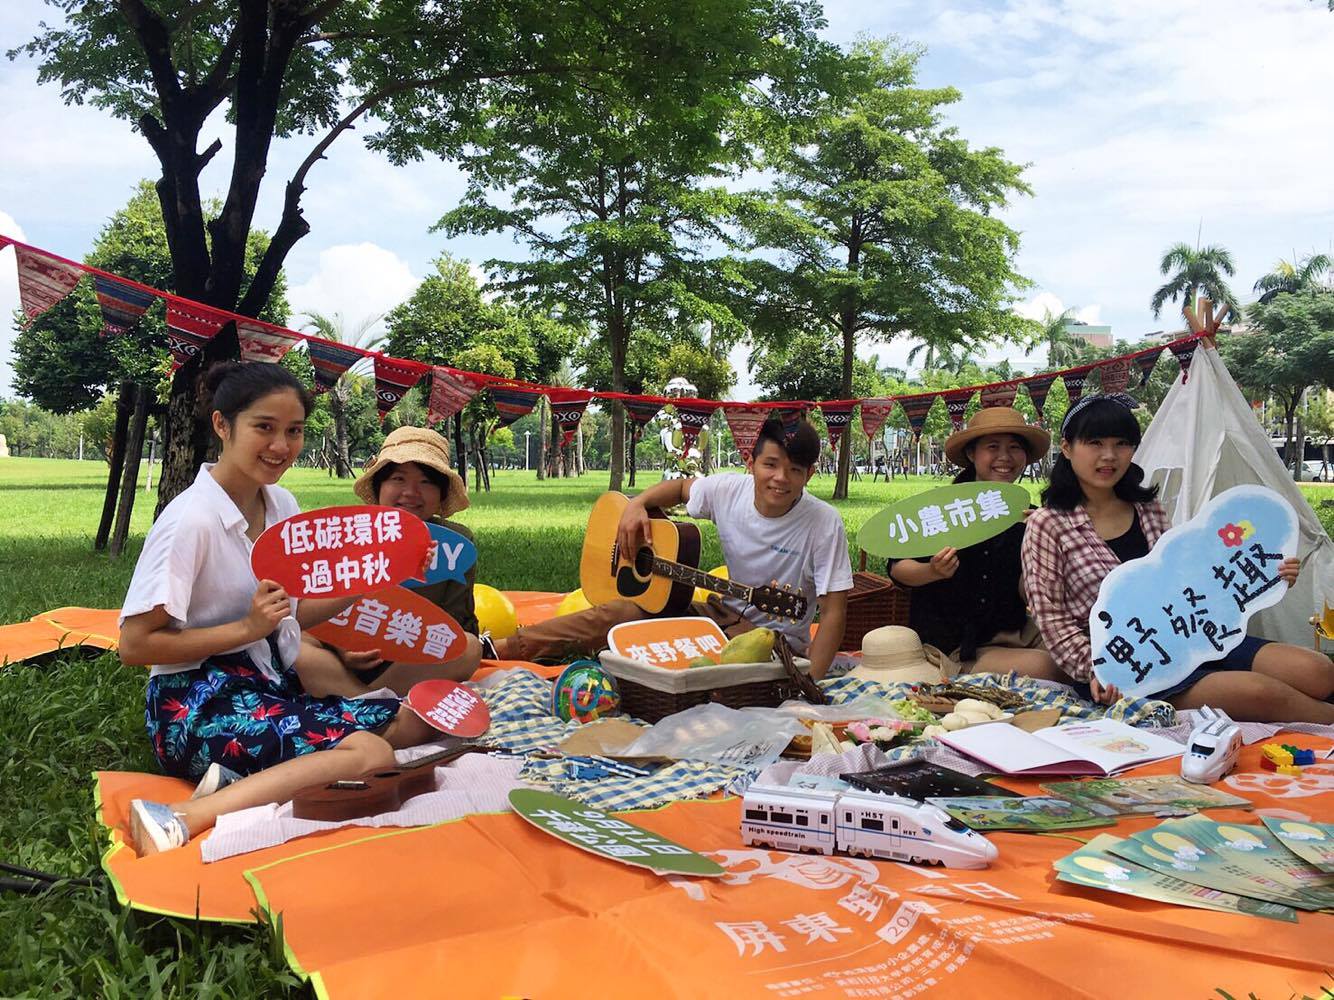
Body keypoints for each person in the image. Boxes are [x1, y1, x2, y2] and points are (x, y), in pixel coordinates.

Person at [117, 363, 441, 856]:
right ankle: (183, 816)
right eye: (264, 427)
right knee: (370, 754)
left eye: (294, 431)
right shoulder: (190, 521)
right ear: (223, 424)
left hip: (268, 685)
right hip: (195, 705)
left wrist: (386, 574)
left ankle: (237, 782)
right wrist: (246, 628)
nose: (281, 446)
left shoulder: (281, 505)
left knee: (412, 722)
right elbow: (134, 645)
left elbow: (293, 614)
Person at [1022, 393, 1334, 722]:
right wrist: (1099, 669)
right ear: (1067, 448)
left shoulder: (1146, 508)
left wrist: (1267, 576)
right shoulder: (1048, 524)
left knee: (1317, 670)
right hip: (1131, 665)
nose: (1109, 455)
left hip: (1196, 631)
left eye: (1121, 443)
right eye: (1095, 443)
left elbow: (1192, 576)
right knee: (1260, 693)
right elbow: (1052, 618)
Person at [493, 417, 853, 679]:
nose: (780, 478)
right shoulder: (729, 490)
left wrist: (810, 683)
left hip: (772, 641)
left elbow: (833, 613)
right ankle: (503, 647)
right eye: (770, 465)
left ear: (809, 474)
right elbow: (681, 488)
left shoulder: (824, 522)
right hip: (720, 612)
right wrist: (637, 504)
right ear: (751, 463)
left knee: (689, 667)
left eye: (794, 470)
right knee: (621, 614)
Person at [295, 426, 483, 697]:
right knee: (298, 644)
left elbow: (456, 623)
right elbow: (309, 612)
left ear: (441, 493)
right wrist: (342, 648)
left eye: (426, 482)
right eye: (398, 478)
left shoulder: (457, 543)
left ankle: (365, 700)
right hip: (340, 656)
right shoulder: (344, 534)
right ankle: (371, 703)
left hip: (411, 660)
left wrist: (404, 643)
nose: (411, 492)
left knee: (468, 647)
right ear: (379, 486)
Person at [888, 407, 1064, 680]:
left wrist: (1044, 547)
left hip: (1015, 632)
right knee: (1052, 666)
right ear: (972, 454)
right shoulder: (943, 511)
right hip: (957, 646)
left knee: (1083, 652)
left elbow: (1031, 592)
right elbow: (897, 567)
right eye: (993, 447)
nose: (1004, 457)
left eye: (1014, 447)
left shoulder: (1029, 517)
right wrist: (932, 571)